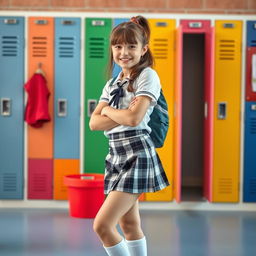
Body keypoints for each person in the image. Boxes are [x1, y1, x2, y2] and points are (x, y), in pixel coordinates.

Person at [89, 15, 170, 256]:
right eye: (118, 46)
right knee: (129, 225)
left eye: (131, 46)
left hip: (137, 153)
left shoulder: (148, 76)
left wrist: (109, 110)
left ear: (143, 49)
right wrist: (122, 113)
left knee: (102, 225)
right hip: (116, 154)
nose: (124, 52)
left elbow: (135, 119)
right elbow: (94, 123)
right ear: (112, 49)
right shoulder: (113, 83)